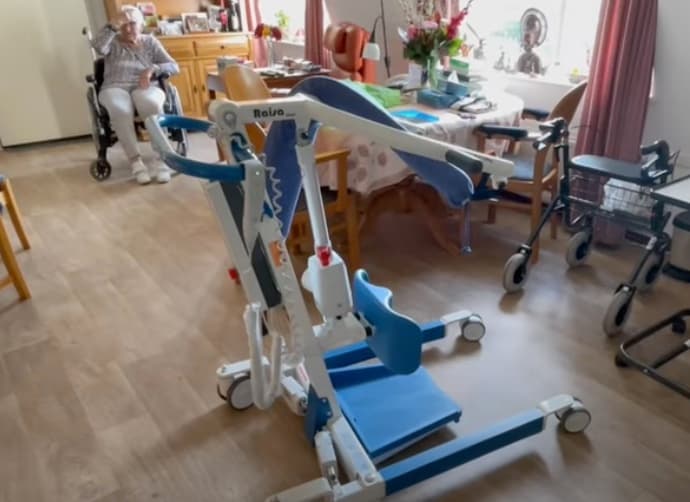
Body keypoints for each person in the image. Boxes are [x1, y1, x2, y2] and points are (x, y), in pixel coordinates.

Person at [91, 5, 180, 184]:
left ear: (141, 24)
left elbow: (173, 66)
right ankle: (136, 162)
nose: (128, 29)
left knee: (151, 104)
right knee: (120, 110)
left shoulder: (150, 42)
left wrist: (152, 69)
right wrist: (112, 27)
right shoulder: (112, 41)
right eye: (123, 24)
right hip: (115, 86)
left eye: (132, 23)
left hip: (146, 85)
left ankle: (162, 159)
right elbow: (98, 47)